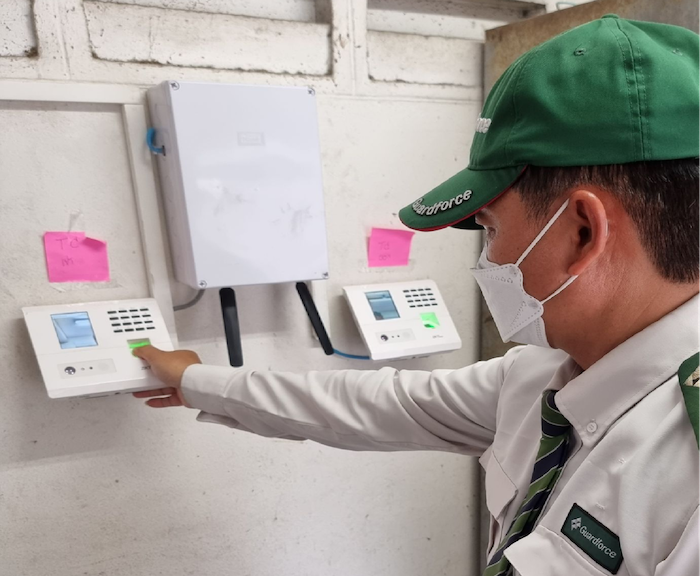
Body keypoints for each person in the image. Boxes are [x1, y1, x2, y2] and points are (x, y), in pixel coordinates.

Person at [133, 15, 700, 576]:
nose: (487, 261)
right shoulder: (541, 379)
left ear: (582, 232)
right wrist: (197, 380)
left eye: (490, 230)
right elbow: (378, 404)